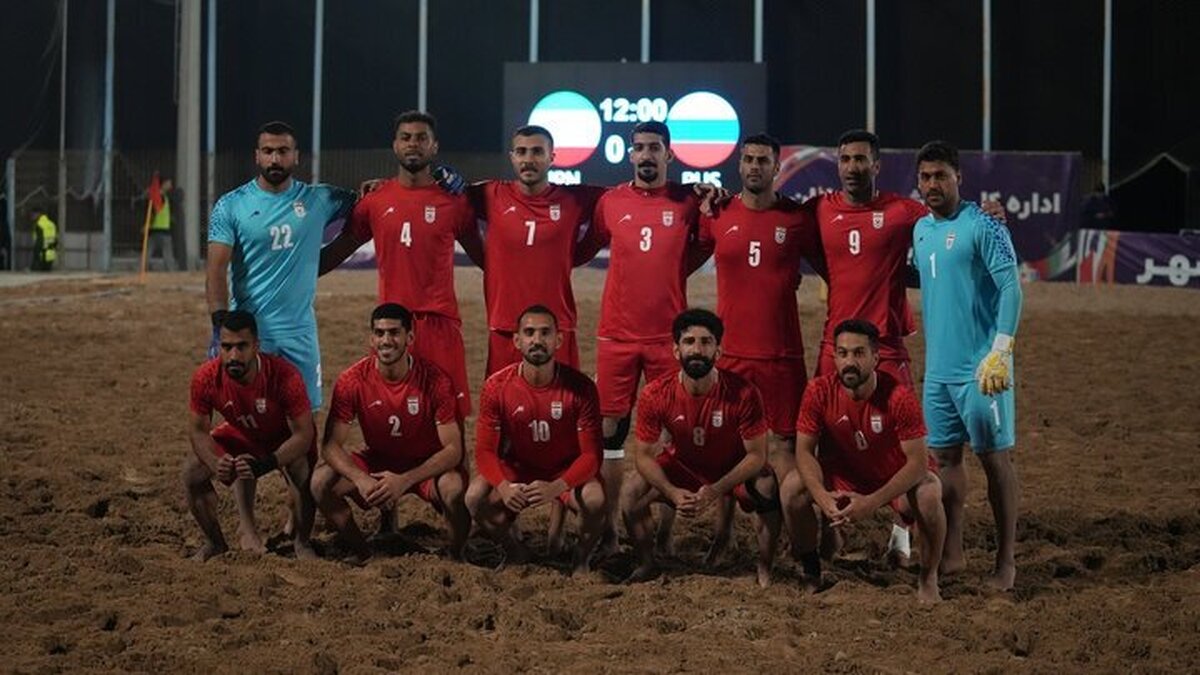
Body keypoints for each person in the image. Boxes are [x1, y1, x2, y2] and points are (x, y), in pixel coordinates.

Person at [797, 129, 1006, 562]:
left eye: (861, 160)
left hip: (887, 348)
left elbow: (949, 222)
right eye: (846, 159)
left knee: (910, 444)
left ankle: (902, 532)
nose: (853, 167)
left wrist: (988, 214)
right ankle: (832, 535)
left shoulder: (903, 211)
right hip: (833, 346)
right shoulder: (819, 209)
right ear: (837, 165)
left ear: (876, 166)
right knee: (829, 443)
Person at [696, 134, 825, 561]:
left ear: (777, 167)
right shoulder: (718, 212)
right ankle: (723, 535)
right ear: (739, 165)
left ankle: (800, 538)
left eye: (763, 160)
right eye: (748, 159)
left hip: (781, 357)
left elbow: (836, 265)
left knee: (787, 452)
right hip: (730, 356)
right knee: (729, 448)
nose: (754, 166)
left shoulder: (798, 219)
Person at [589, 121, 707, 554]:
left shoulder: (689, 202)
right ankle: (608, 532)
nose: (645, 155)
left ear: (669, 155)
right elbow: (592, 243)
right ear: (630, 154)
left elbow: (707, 243)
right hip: (616, 336)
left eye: (654, 148)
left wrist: (677, 272)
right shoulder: (611, 202)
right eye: (639, 148)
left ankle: (664, 533)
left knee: (670, 436)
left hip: (666, 338)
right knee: (610, 433)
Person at [320, 111, 482, 422]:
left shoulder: (455, 202)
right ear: (395, 146)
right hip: (391, 328)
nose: (413, 144)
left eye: (422, 138)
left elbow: (488, 259)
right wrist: (290, 270)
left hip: (440, 326)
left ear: (434, 147)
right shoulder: (375, 201)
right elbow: (337, 251)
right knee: (392, 418)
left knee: (450, 423)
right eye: (406, 138)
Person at [912, 140, 1022, 591]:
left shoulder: (985, 225)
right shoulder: (920, 230)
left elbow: (1012, 288)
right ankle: (953, 553)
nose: (932, 184)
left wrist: (1000, 352)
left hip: (982, 370)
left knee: (996, 462)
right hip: (937, 373)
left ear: (960, 178)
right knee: (947, 460)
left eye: (941, 175)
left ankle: (1006, 563)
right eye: (925, 177)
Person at [621, 308, 780, 587]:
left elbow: (757, 456)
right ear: (676, 350)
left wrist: (716, 490)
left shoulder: (744, 392)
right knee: (632, 493)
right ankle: (647, 563)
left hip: (731, 470)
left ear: (718, 352)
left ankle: (765, 567)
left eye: (706, 342)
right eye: (689, 342)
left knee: (767, 485)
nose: (697, 349)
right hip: (684, 468)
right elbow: (643, 456)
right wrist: (670, 491)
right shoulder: (655, 393)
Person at [206, 120, 357, 411]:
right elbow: (215, 270)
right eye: (268, 151)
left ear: (296, 156)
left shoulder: (320, 198)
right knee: (246, 417)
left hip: (301, 334)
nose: (275, 159)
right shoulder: (231, 205)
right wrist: (219, 326)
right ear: (257, 156)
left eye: (283, 151)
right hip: (252, 335)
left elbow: (370, 203)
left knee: (305, 421)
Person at [791, 319, 945, 602]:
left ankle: (928, 575)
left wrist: (871, 503)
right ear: (834, 356)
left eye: (859, 353)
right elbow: (803, 451)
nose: (849, 361)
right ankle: (812, 570)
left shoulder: (899, 397)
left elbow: (918, 464)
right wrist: (821, 496)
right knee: (792, 487)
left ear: (876, 357)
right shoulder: (818, 391)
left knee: (929, 492)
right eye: (842, 353)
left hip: (893, 477)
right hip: (845, 476)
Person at [312, 303, 469, 562]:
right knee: (319, 483)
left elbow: (453, 450)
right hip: (377, 461)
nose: (386, 340)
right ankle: (364, 551)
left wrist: (405, 479)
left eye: (394, 333)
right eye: (380, 333)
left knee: (454, 486)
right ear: (371, 338)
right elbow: (330, 446)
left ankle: (455, 555)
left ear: (410, 337)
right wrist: (360, 478)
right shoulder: (352, 380)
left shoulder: (435, 380)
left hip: (421, 465)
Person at [465, 305, 606, 574]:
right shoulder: (497, 387)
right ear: (517, 340)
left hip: (563, 470)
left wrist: (557, 487)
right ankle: (515, 552)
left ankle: (580, 561)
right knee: (473, 497)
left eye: (545, 333)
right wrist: (505, 486)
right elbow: (484, 452)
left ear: (559, 339)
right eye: (529, 333)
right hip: (518, 468)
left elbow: (592, 457)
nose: (537, 340)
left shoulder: (581, 388)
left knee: (595, 498)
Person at [467, 125, 607, 376]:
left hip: (557, 328)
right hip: (505, 326)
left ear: (552, 157)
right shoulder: (490, 194)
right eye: (521, 152)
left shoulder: (575, 198)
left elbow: (629, 197)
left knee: (563, 407)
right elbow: (434, 194)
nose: (528, 159)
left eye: (537, 152)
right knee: (503, 407)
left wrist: (693, 191)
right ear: (512, 157)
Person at [182, 310, 318, 561]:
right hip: (242, 433)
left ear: (256, 345)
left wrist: (267, 463)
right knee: (192, 471)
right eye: (226, 347)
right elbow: (198, 431)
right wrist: (215, 463)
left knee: (301, 469)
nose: (233, 355)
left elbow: (303, 434)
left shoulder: (285, 376)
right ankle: (215, 542)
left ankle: (302, 542)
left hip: (281, 437)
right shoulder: (205, 377)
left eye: (241, 346)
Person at [148, 175, 177, 271]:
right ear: (163, 184)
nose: (170, 186)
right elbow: (155, 211)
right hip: (163, 231)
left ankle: (140, 270)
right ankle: (171, 274)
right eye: (168, 183)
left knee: (148, 253)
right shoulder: (160, 198)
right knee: (168, 256)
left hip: (155, 230)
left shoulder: (161, 197)